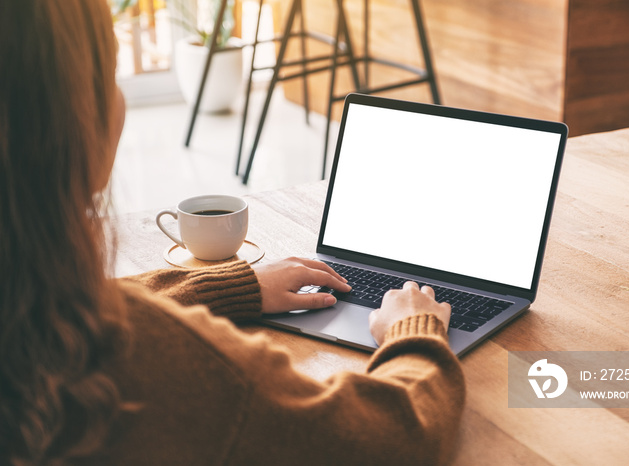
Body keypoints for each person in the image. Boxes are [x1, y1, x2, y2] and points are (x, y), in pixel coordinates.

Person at [0, 1, 465, 464]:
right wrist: (414, 330)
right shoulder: (150, 360)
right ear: (67, 117)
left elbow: (77, 307)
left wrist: (230, 286)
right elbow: (394, 439)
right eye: (112, 74)